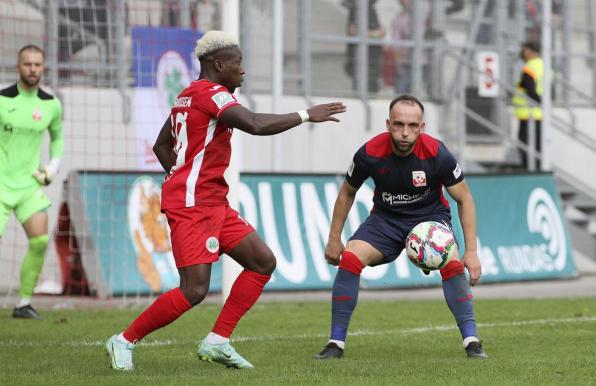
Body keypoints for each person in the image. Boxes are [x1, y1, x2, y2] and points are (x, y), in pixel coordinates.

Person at [105, 30, 346, 371]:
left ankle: (218, 340)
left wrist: (179, 172)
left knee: (262, 261)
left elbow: (162, 144)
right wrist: (307, 114)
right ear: (219, 65)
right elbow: (254, 124)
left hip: (213, 202)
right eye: (238, 62)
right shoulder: (213, 95)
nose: (243, 69)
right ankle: (123, 340)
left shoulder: (187, 95)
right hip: (192, 206)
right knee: (194, 290)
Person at [314, 94, 487, 360]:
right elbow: (347, 192)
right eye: (398, 124)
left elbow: (465, 198)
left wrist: (471, 251)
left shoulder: (437, 153)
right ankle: (335, 344)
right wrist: (334, 239)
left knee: (451, 262)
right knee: (350, 257)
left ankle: (473, 342)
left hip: (430, 219)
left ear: (422, 126)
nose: (405, 133)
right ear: (387, 124)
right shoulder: (369, 153)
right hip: (386, 220)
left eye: (412, 126)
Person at [0, 45, 64, 319]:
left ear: (43, 67)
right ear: (18, 67)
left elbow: (57, 138)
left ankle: (23, 303)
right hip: (1, 184)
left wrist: (52, 167)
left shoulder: (51, 104)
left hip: (28, 186)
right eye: (28, 64)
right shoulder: (2, 100)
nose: (33, 69)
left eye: (38, 64)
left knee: (39, 241)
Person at [512, 41, 544, 170]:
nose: (523, 53)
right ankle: (537, 166)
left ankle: (528, 167)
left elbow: (529, 89)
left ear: (529, 51)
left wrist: (536, 101)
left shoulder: (529, 67)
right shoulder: (543, 65)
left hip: (528, 112)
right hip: (539, 113)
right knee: (537, 144)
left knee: (524, 142)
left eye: (524, 50)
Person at [343, 0, 385, 93]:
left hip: (372, 59)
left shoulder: (369, 8)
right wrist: (375, 34)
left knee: (372, 89)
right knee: (363, 89)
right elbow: (353, 31)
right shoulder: (358, 8)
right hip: (362, 60)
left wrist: (377, 33)